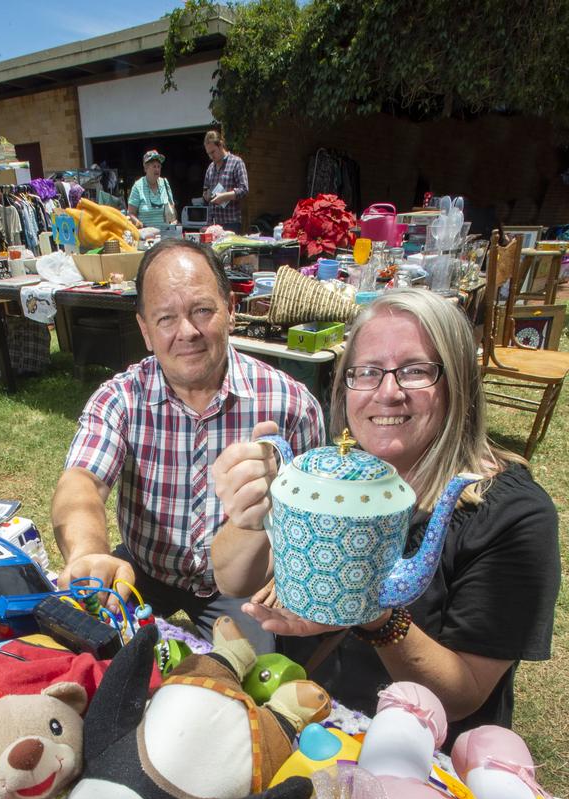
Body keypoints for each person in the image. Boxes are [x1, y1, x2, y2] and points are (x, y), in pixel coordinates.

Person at [211, 288, 560, 747]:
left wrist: (375, 614)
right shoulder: (329, 478)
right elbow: (232, 583)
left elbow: (464, 695)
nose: (387, 392)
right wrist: (255, 510)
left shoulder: (513, 515)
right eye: (367, 372)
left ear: (458, 382)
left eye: (414, 371)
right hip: (308, 720)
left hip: (423, 754)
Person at [51, 238, 324, 653]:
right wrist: (88, 553)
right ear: (145, 330)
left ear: (230, 310)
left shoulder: (290, 405)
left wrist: (284, 576)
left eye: (202, 310)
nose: (188, 332)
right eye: (165, 318)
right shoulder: (121, 398)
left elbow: (311, 521)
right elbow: (81, 483)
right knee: (86, 646)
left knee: (246, 682)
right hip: (145, 568)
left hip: (238, 584)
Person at [202, 130, 249, 235]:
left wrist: (224, 196)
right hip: (213, 223)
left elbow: (244, 190)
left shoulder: (236, 162)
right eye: (208, 153)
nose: (211, 156)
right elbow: (205, 190)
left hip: (231, 223)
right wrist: (206, 195)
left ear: (221, 145)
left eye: (213, 152)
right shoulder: (210, 168)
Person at [127, 150, 176, 229]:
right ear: (146, 168)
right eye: (154, 166)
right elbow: (131, 213)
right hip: (146, 237)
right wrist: (139, 224)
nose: (157, 169)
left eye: (159, 166)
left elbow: (172, 207)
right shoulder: (138, 186)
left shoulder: (165, 183)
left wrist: (173, 220)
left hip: (166, 236)